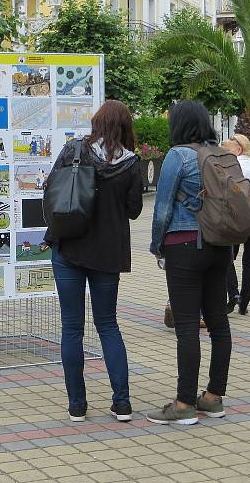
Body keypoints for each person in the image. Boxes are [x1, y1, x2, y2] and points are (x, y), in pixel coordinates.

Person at [44, 100, 143, 423]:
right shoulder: (131, 163)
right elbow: (134, 210)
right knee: (108, 325)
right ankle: (122, 403)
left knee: (71, 328)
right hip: (108, 253)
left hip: (70, 247)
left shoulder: (74, 150)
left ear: (97, 122)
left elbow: (51, 190)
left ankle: (77, 406)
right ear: (126, 126)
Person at [148, 100, 232, 425]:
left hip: (184, 246)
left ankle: (184, 405)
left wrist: (157, 247)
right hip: (220, 246)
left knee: (186, 328)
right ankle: (213, 398)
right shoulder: (222, 154)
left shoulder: (178, 155)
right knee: (218, 324)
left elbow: (163, 208)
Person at [223, 135, 250, 315]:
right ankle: (244, 302)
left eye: (227, 149)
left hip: (235, 219)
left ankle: (233, 293)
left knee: (226, 258)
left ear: (239, 149)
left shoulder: (230, 167)